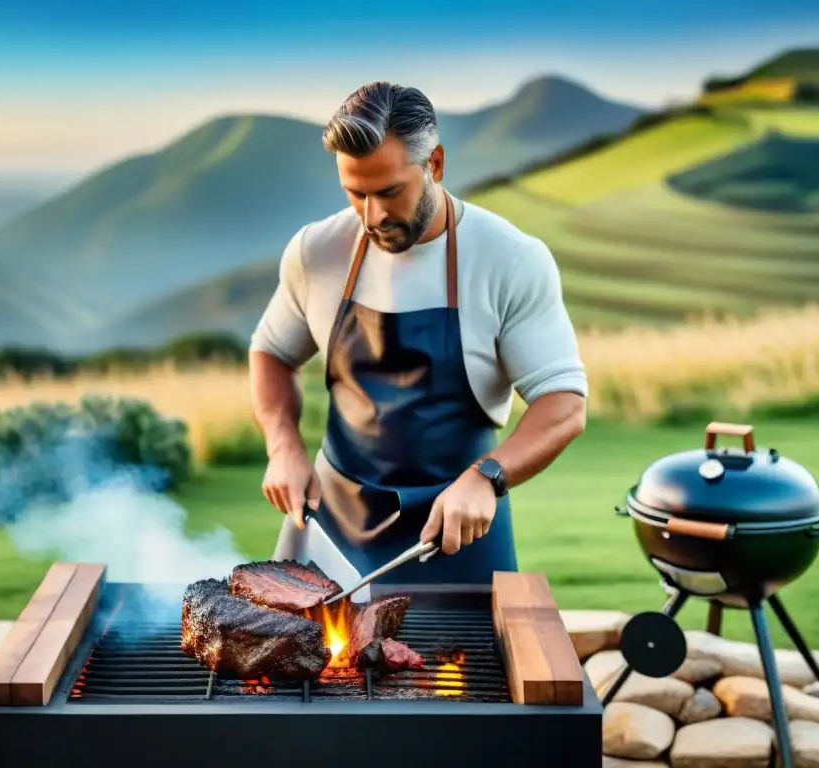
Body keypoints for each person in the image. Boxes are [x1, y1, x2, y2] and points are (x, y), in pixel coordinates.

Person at [248, 81, 587, 586]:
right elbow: (272, 353)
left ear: (436, 164)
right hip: (332, 525)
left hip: (458, 526)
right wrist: (283, 447)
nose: (372, 216)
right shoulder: (317, 250)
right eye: (355, 193)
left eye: (389, 192)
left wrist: (486, 478)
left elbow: (563, 405)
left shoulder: (510, 259)